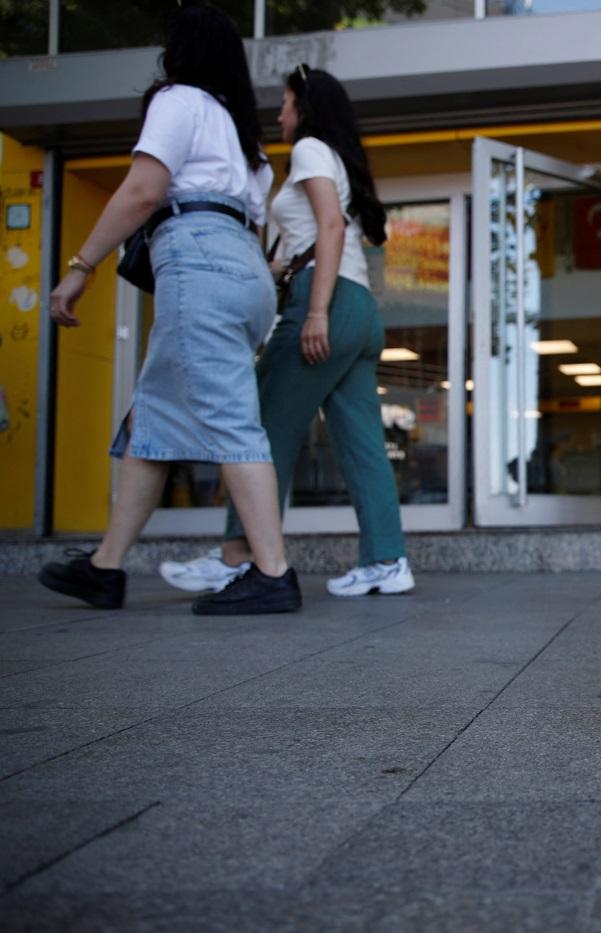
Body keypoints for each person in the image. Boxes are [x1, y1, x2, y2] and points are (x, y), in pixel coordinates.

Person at [37, 3, 300, 615]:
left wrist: (80, 267)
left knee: (231, 420)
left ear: (178, 54)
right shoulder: (244, 137)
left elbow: (143, 191)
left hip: (199, 261)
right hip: (243, 271)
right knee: (151, 421)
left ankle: (272, 572)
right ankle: (105, 568)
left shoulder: (178, 102)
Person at [159, 65, 415, 598]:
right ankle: (387, 561)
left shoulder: (310, 149)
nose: (279, 115)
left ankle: (238, 554)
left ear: (306, 107)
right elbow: (324, 235)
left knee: (263, 424)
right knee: (363, 442)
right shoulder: (337, 158)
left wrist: (316, 312)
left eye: (286, 103)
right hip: (358, 308)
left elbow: (330, 227)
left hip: (328, 302)